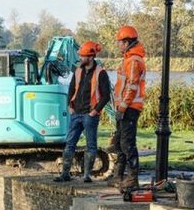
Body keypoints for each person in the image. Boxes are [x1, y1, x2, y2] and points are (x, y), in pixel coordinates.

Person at [54, 41, 112, 183]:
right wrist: (70, 105)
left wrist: (95, 111)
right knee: (70, 143)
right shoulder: (78, 70)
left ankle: (87, 175)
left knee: (91, 145)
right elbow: (71, 89)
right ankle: (65, 174)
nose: (80, 58)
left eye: (83, 56)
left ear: (91, 57)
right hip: (76, 113)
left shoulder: (101, 73)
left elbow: (106, 95)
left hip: (90, 114)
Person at [107, 25, 146, 191]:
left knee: (127, 143)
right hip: (125, 107)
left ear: (127, 42)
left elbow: (132, 85)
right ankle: (119, 175)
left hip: (129, 108)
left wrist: (122, 107)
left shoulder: (133, 61)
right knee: (121, 142)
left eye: (120, 42)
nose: (118, 45)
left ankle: (132, 178)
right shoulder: (130, 59)